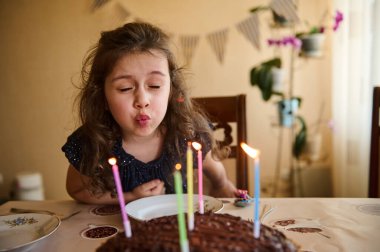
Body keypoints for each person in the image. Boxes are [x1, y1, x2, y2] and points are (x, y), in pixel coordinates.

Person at [62, 22, 238, 205]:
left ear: (171, 89)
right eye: (125, 88)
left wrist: (222, 184)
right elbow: (77, 189)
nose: (142, 100)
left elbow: (211, 166)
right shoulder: (92, 142)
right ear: (102, 96)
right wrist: (131, 198)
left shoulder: (187, 133)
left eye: (154, 85)